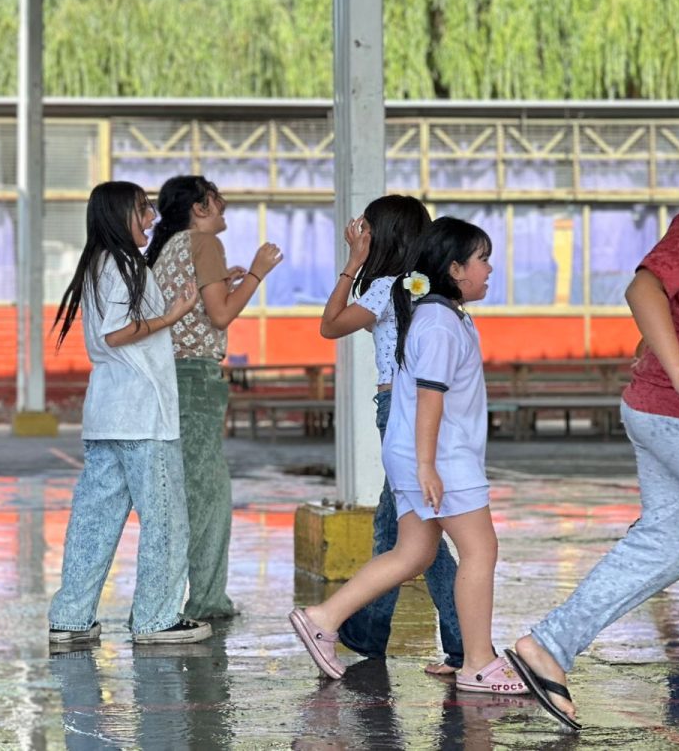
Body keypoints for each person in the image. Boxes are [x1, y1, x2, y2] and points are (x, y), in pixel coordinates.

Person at [289, 217, 527, 696]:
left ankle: (323, 617)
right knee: (482, 550)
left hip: (424, 454)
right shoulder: (438, 321)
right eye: (482, 260)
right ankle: (478, 662)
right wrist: (426, 466)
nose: (489, 269)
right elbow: (429, 397)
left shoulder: (441, 314)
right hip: (440, 457)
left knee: (412, 552)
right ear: (455, 269)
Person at [508, 190, 679, 731]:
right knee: (666, 545)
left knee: (667, 547)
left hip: (664, 411)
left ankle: (548, 646)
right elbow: (644, 288)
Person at [48, 180, 209, 647]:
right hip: (141, 414)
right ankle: (157, 618)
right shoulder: (124, 264)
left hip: (108, 415)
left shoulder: (101, 263)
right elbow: (119, 333)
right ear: (120, 215)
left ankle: (72, 618)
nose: (151, 218)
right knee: (164, 519)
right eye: (142, 209)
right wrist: (174, 314)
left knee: (94, 520)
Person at [318, 195, 463, 675]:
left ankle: (462, 643)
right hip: (433, 409)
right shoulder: (430, 288)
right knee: (395, 527)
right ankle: (368, 633)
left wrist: (351, 262)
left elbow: (330, 325)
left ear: (382, 237)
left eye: (368, 230)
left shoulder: (385, 287)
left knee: (422, 534)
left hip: (397, 412)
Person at [146, 175, 283, 620]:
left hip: (168, 377)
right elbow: (220, 315)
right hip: (195, 379)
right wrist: (259, 272)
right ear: (201, 206)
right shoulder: (204, 243)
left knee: (186, 491)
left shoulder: (169, 248)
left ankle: (185, 596)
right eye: (217, 200)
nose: (223, 207)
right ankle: (205, 599)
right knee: (207, 495)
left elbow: (203, 304)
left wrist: (226, 279)